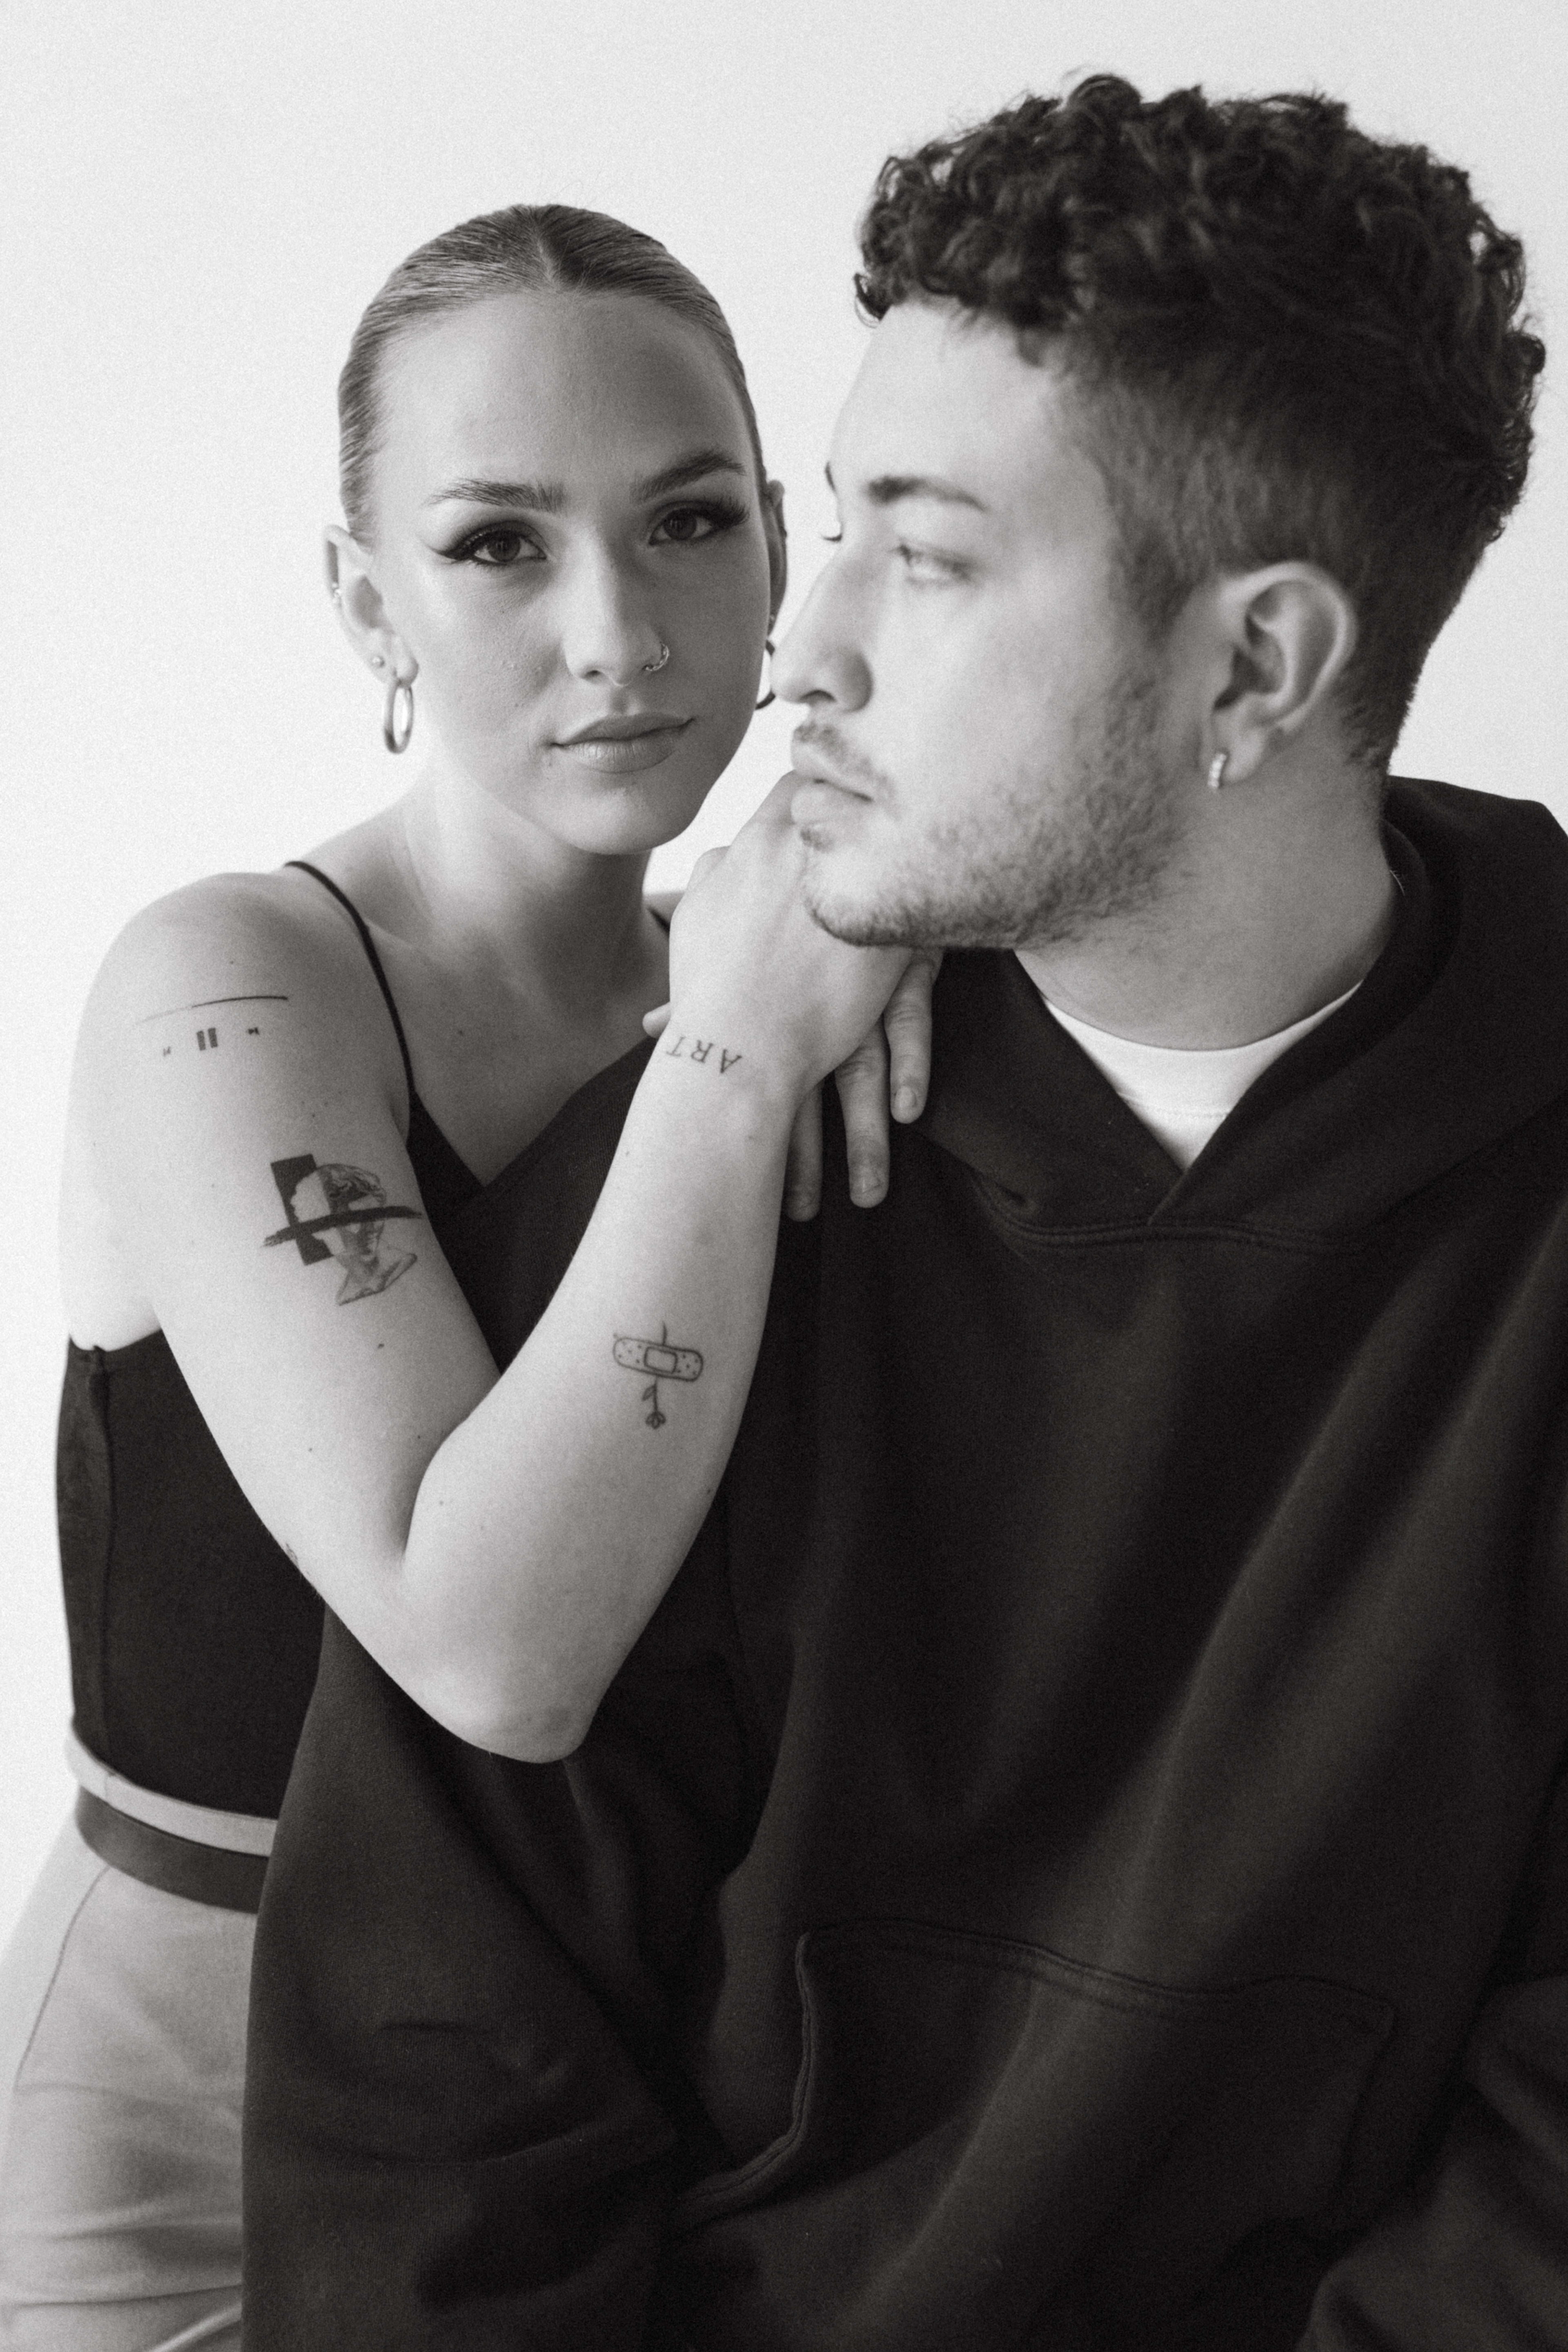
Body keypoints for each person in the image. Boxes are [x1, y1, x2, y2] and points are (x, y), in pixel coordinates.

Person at [243, 77, 1561, 2350]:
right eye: (827, 522)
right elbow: (432, 2117)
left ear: (1258, 668)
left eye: (924, 556)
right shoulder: (698, 1189)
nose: (795, 646)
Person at [0, 204, 939, 2350]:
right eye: (501, 545)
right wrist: (736, 1052)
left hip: (621, 2101)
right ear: (368, 599)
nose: (618, 629)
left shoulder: (809, 958)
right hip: (193, 2138)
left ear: (780, 546)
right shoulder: (225, 985)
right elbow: (492, 1653)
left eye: (690, 519)